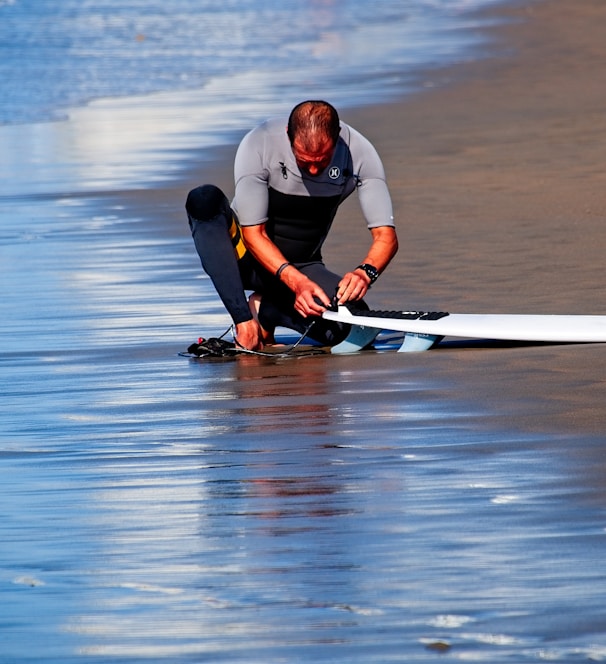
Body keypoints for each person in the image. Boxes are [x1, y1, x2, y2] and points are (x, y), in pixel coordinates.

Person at [186, 100, 398, 350]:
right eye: (304, 160)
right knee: (203, 199)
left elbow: (386, 236)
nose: (313, 169)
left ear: (337, 136)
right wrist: (295, 283)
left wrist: (365, 272)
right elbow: (254, 234)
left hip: (304, 264)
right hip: (243, 260)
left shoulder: (359, 154)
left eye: (322, 161)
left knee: (353, 324)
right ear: (289, 135)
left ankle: (267, 309)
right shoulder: (260, 143)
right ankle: (245, 320)